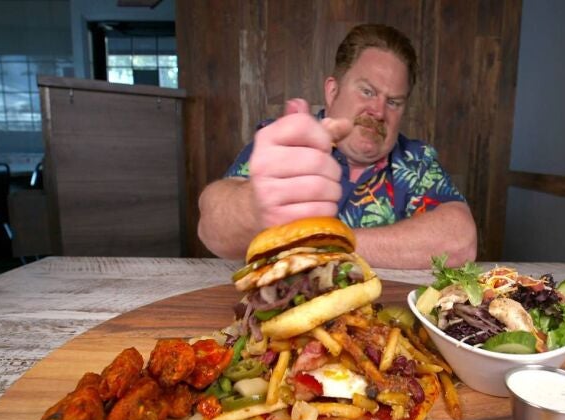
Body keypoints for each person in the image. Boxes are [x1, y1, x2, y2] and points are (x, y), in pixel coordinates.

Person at [198, 24, 477, 268]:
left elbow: (460, 241)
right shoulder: (288, 142)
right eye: (367, 91)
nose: (379, 111)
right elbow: (212, 228)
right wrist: (253, 206)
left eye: (393, 102)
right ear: (333, 91)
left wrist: (328, 242)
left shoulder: (417, 161)